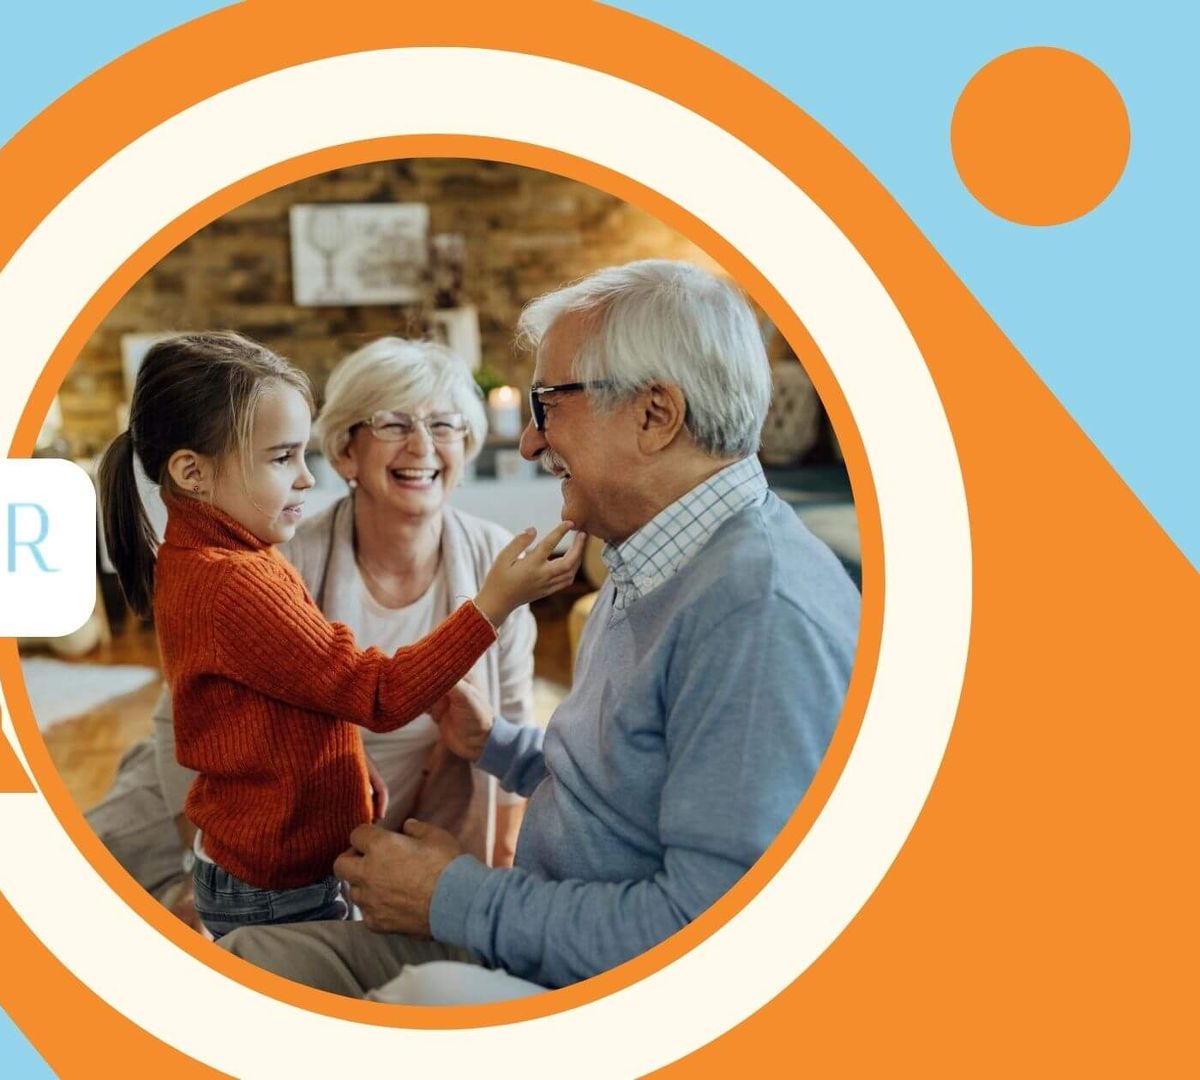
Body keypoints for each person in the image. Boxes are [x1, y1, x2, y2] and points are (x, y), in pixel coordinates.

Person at [219, 260, 861, 1001]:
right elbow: (620, 784)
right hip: (531, 930)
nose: (527, 441)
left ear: (656, 414)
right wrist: (498, 747)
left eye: (548, 403)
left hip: (590, 984)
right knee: (245, 959)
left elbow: (710, 939)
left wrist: (457, 897)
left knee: (334, 997)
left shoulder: (756, 612)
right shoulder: (651, 556)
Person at [95, 331, 580, 939]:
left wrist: (493, 888)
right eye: (394, 423)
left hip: (322, 837)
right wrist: (190, 866)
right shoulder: (267, 559)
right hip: (256, 840)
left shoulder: (487, 551)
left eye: (446, 425)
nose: (424, 444)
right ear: (346, 454)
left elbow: (507, 722)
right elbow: (369, 694)